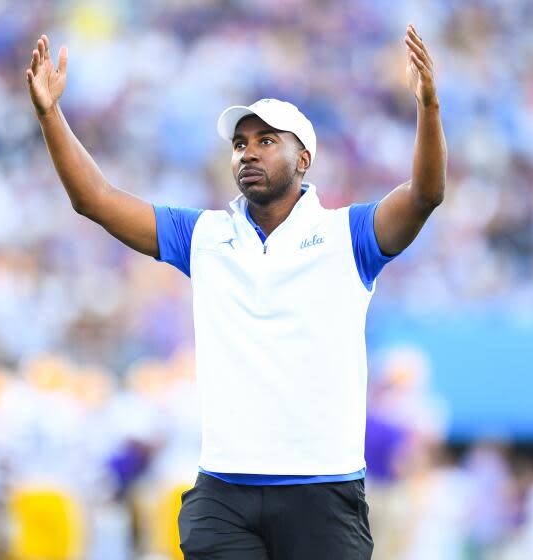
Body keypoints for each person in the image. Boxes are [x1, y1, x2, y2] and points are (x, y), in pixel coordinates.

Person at [25, 23, 445, 559]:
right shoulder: (204, 235)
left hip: (321, 488)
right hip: (224, 490)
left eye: (267, 141)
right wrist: (49, 115)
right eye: (241, 143)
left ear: (304, 159)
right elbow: (96, 199)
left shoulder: (349, 235)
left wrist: (428, 107)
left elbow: (426, 193)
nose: (248, 152)